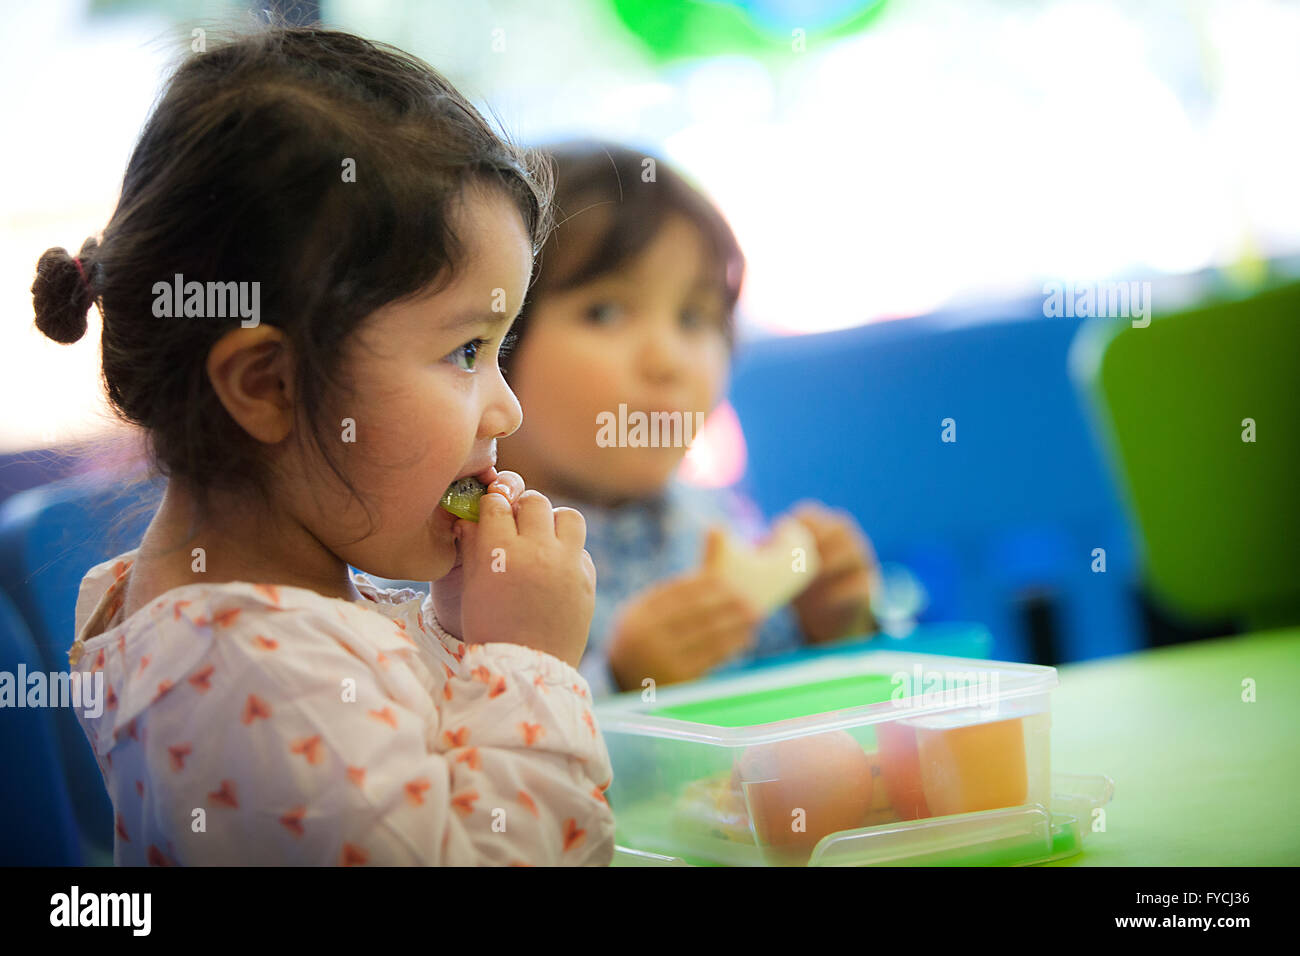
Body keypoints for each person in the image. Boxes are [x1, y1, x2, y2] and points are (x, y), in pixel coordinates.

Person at [31, 26, 613, 866]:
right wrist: (526, 662)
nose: (506, 411)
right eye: (465, 352)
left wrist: (462, 633)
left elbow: (420, 776)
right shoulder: (250, 671)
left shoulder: (275, 622)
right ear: (269, 386)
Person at [497, 141, 881, 697]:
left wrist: (833, 630)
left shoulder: (709, 524)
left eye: (694, 318)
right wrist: (621, 682)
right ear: (494, 342)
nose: (667, 360)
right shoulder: (454, 555)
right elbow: (464, 752)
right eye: (604, 312)